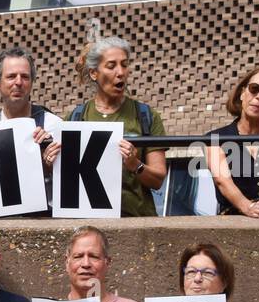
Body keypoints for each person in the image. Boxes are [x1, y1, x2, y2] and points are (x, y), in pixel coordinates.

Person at [45, 38, 168, 217]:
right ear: (94, 73)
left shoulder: (146, 116)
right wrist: (50, 162)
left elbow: (158, 179)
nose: (120, 72)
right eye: (111, 66)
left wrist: (135, 164)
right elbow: (65, 177)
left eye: (124, 65)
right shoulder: (75, 118)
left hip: (136, 221)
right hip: (88, 222)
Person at [0, 47, 55, 212]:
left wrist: (49, 161)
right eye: (10, 76)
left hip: (45, 219)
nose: (18, 82)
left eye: (24, 77)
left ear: (32, 82)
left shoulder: (53, 125)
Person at [205, 66, 259, 217]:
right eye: (254, 88)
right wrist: (247, 206)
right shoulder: (216, 137)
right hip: (233, 223)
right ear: (242, 93)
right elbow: (222, 181)